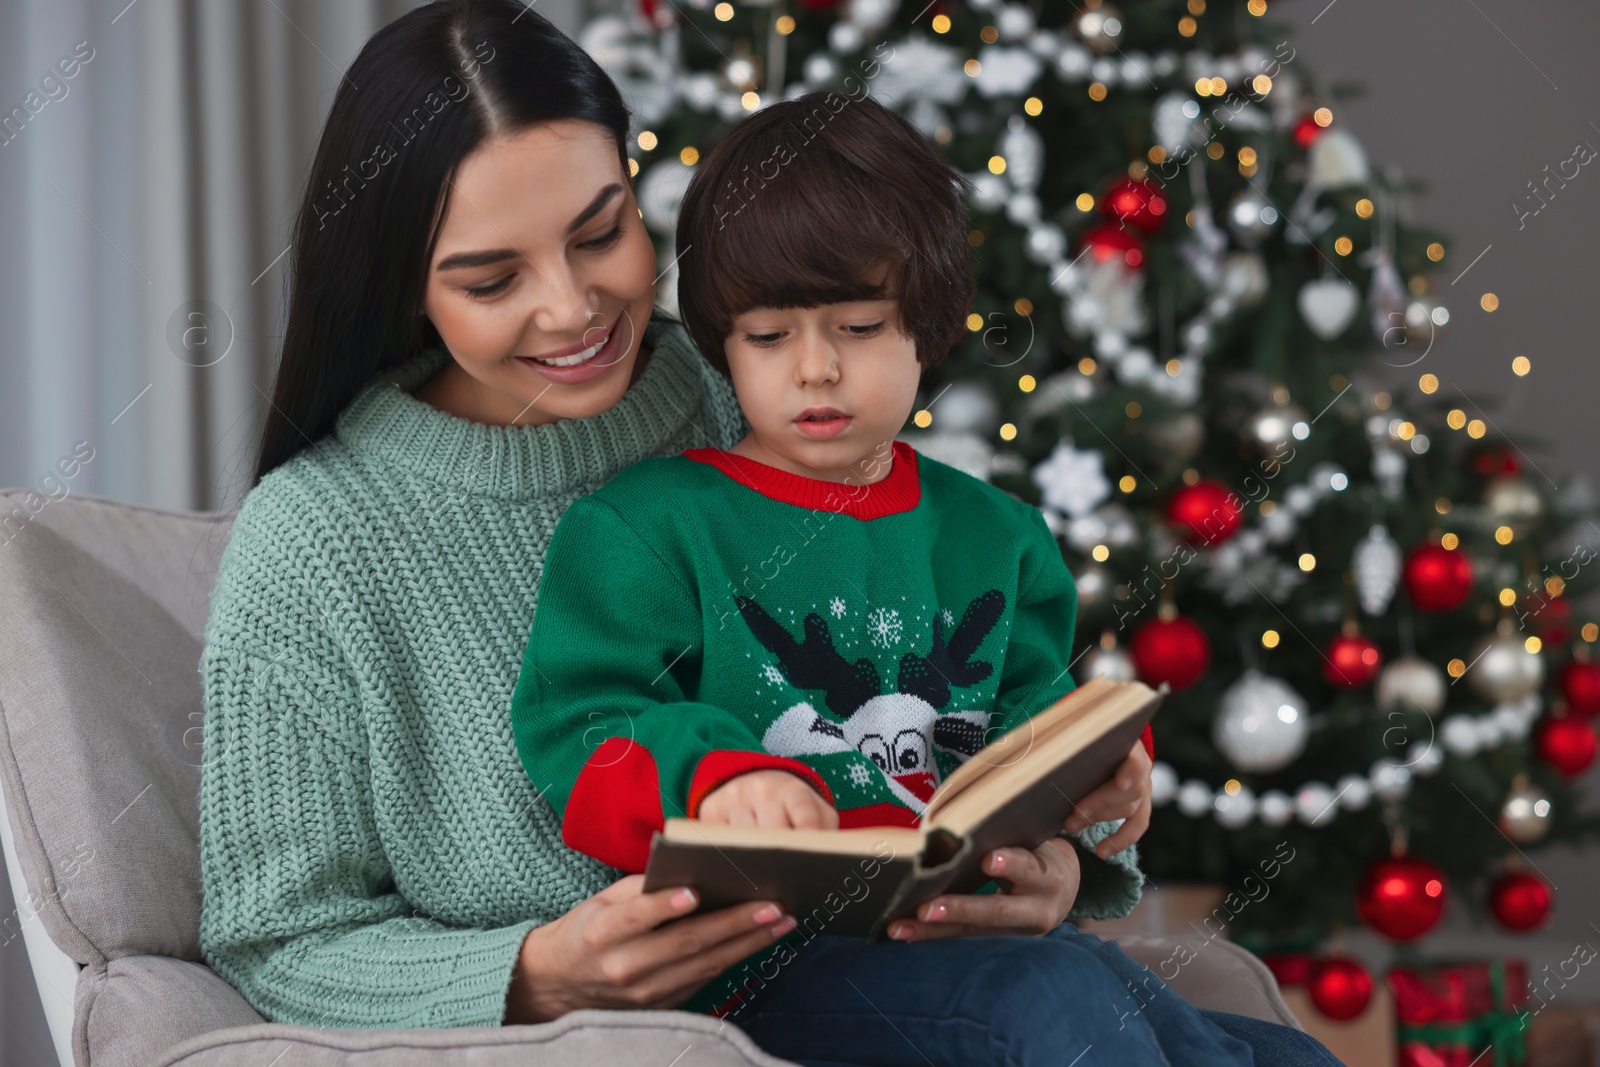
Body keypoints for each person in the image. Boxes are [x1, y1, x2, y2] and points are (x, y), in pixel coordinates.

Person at [196, 2, 1336, 1063]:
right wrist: (537, 972)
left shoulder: (751, 382)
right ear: (405, 289)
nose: (572, 307)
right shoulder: (316, 541)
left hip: (908, 952)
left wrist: (1054, 856)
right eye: (492, 279)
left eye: (601, 233)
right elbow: (276, 940)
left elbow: (974, 681)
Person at [508, 87, 1157, 1001]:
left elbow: (1033, 719)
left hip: (973, 942)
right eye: (769, 336)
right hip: (770, 969)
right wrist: (716, 781)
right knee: (1050, 1013)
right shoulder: (649, 526)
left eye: (858, 328)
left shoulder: (995, 534)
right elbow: (582, 725)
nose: (816, 368)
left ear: (927, 327)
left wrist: (1089, 795)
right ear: (720, 342)